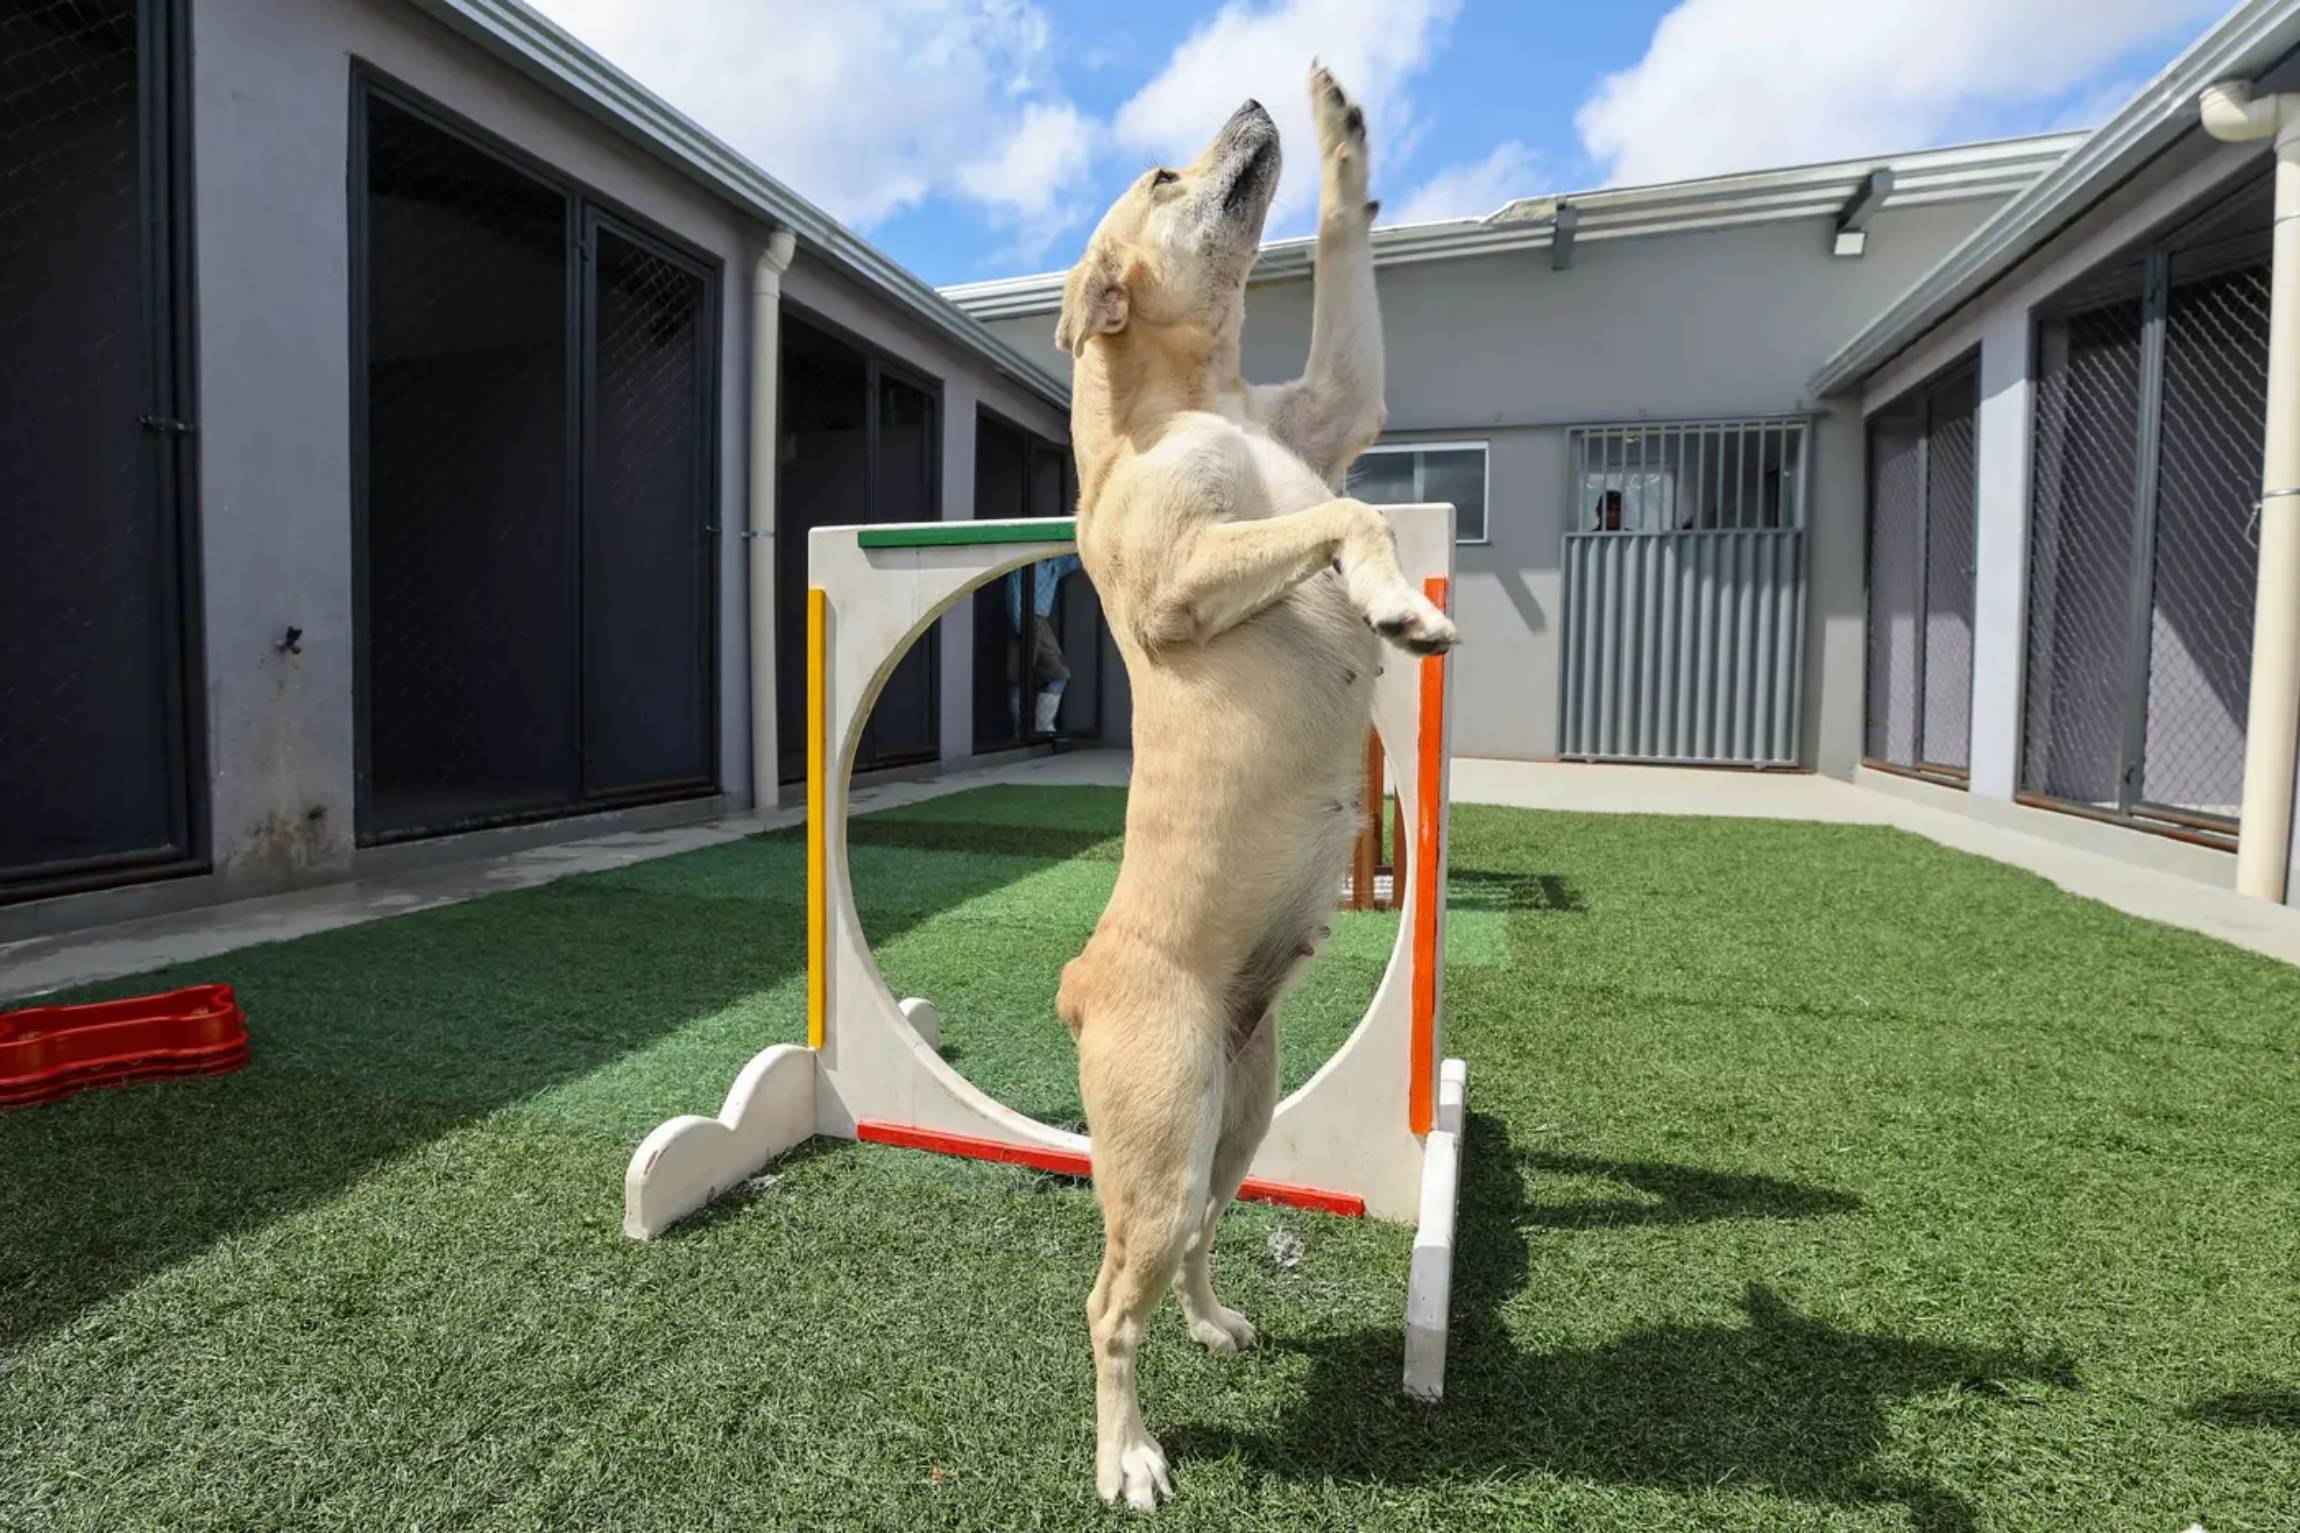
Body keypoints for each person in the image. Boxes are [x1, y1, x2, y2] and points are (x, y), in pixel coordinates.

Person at [1006, 552, 1083, 737]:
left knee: (1059, 674)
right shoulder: (1023, 563)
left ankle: (1043, 725)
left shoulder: (1054, 565)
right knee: (1019, 677)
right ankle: (1021, 728)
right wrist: (1021, 627)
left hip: (1042, 622)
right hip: (1024, 620)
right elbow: (1013, 595)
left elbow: (1076, 561)